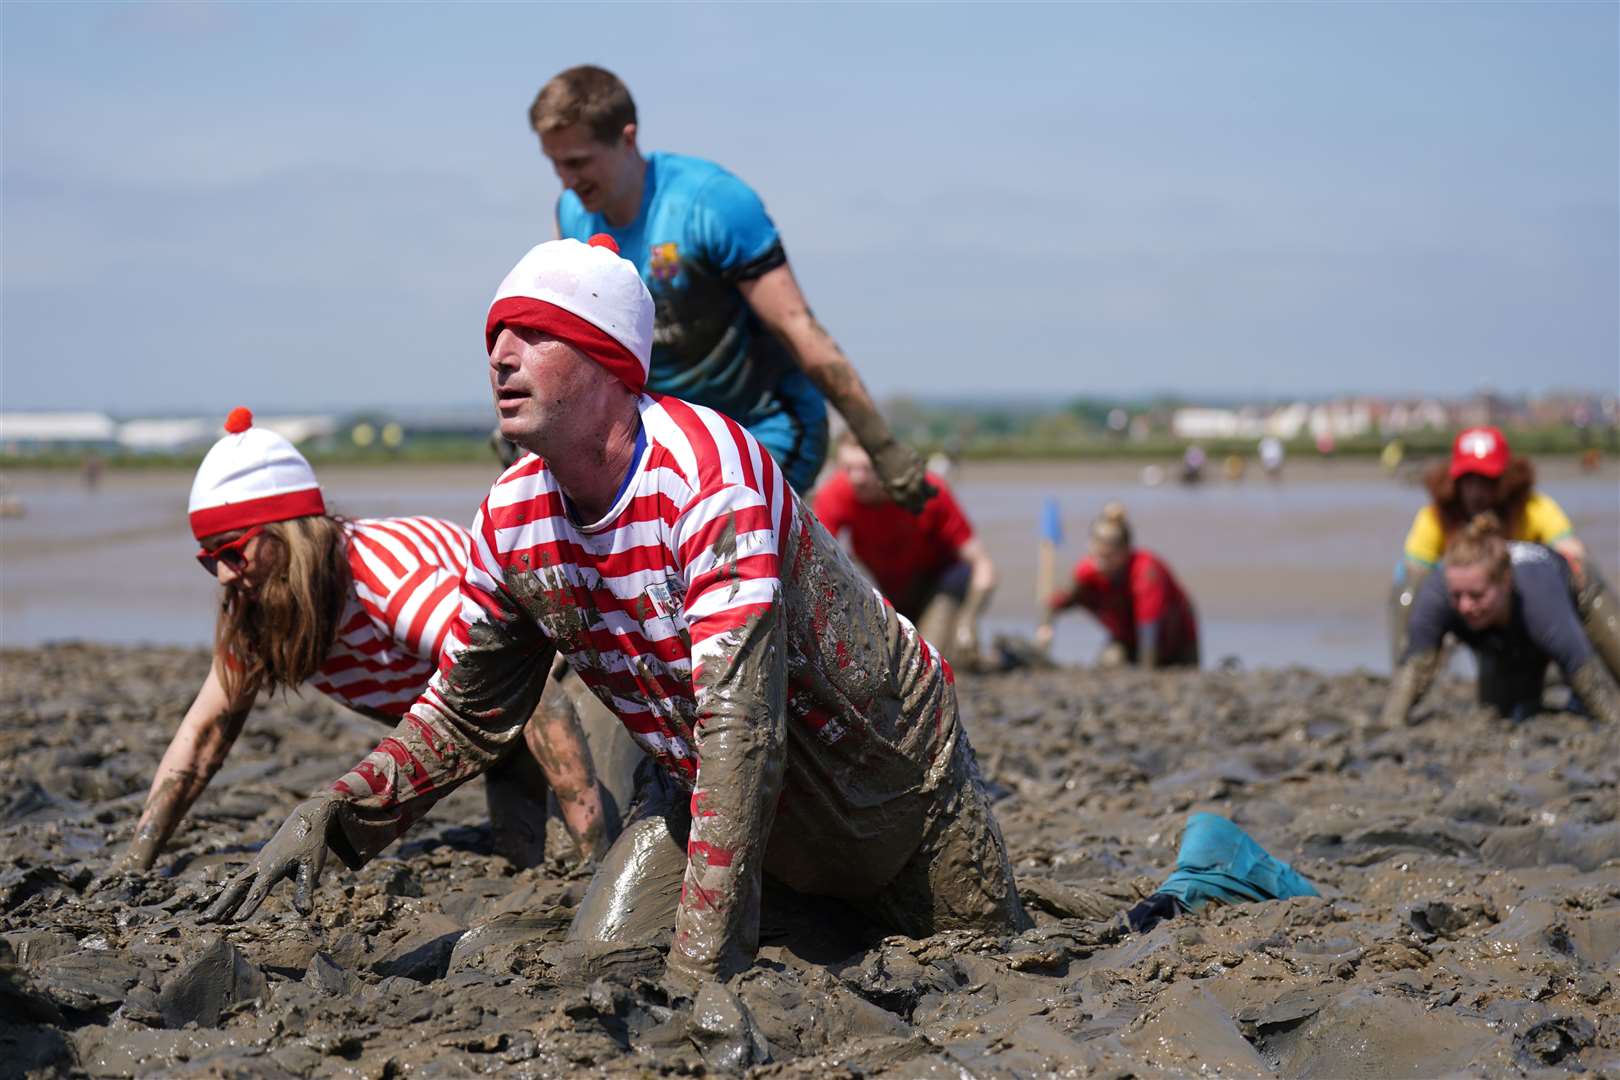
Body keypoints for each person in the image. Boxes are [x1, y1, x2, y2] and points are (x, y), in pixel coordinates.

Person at [203, 236, 1030, 990]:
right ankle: (793, 914)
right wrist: (340, 813)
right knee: (600, 963)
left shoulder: (706, 476)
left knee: (990, 960)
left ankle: (808, 913)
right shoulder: (511, 518)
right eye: (493, 337)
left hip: (885, 781)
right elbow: (470, 708)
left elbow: (746, 731)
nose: (499, 356)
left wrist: (703, 970)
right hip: (698, 783)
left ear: (604, 360)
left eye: (532, 335)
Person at [124, 409, 610, 872]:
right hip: (491, 724)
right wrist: (137, 859)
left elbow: (541, 695)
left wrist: (591, 845)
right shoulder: (261, 609)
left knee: (580, 856)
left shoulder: (383, 582)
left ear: (290, 533)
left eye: (233, 551)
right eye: (210, 560)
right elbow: (206, 734)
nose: (226, 576)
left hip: (572, 677)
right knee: (525, 852)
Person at [527, 65, 929, 506]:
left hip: (765, 426)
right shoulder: (572, 215)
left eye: (578, 162)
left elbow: (798, 326)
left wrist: (883, 448)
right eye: (554, 164)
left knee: (730, 540)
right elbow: (571, 334)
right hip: (668, 435)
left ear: (627, 139)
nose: (566, 180)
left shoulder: (713, 205)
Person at [1389, 425, 1615, 670]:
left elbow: (1571, 550)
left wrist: (1571, 563)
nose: (1476, 493)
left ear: (1506, 480)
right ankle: (1409, 667)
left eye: (1486, 481)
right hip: (1477, 619)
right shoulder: (1435, 518)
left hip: (1525, 610)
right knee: (1406, 588)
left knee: (1586, 575)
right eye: (1468, 481)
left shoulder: (1531, 509)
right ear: (1454, 482)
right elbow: (1413, 572)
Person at [1383, 513, 1620, 726]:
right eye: (1457, 595)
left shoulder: (1539, 599)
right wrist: (1392, 722)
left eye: (1476, 595)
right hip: (1501, 632)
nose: (1465, 606)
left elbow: (1588, 675)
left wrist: (1612, 721)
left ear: (1505, 582)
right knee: (1504, 712)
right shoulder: (1437, 594)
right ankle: (1547, 680)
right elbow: (1414, 668)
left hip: (1579, 592)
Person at [813, 432, 996, 669]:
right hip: (888, 587)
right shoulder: (836, 493)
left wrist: (968, 621)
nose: (857, 479)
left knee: (927, 663)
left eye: (867, 469)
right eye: (848, 468)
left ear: (888, 467)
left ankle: (968, 648)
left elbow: (984, 566)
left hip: (940, 582)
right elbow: (819, 560)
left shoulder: (928, 492)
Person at [1038, 504, 1199, 669]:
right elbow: (1057, 602)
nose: (1102, 562)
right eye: (1098, 554)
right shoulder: (1087, 573)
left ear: (1126, 550)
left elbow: (1148, 629)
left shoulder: (1146, 572)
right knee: (1109, 661)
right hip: (1127, 640)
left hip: (1175, 638)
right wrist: (1045, 628)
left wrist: (1147, 672)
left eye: (1109, 556)